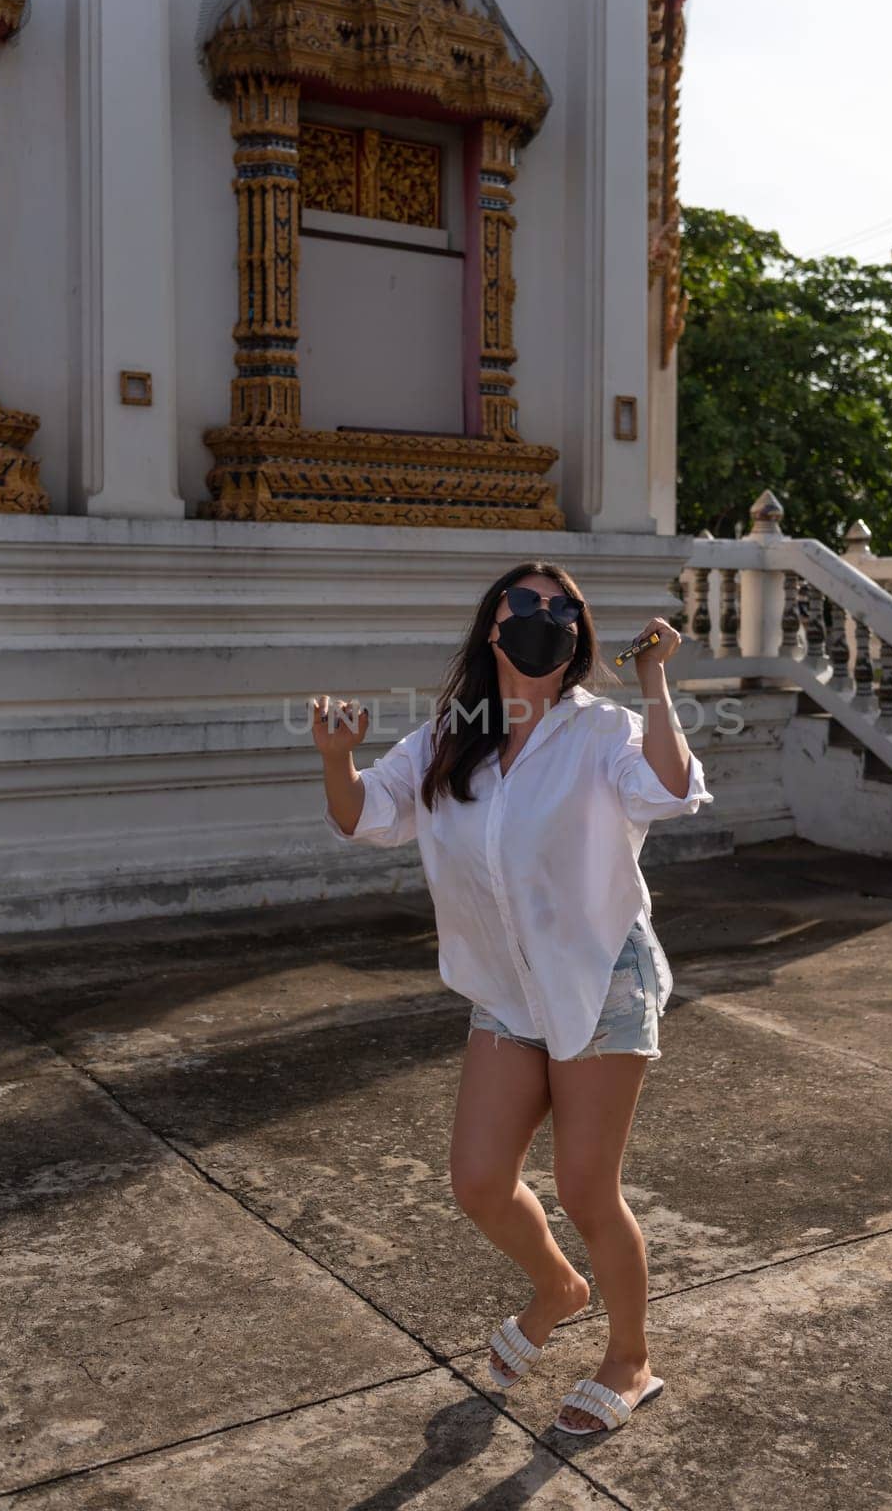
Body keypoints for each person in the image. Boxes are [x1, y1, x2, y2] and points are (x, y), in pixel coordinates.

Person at [313, 561, 714, 1435]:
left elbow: (672, 790)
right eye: (525, 604)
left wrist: (652, 682)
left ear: (580, 634)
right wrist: (337, 759)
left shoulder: (605, 729)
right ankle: (557, 1288)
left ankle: (631, 1358)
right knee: (480, 1181)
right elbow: (366, 816)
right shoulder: (450, 735)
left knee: (584, 1188)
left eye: (563, 609)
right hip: (506, 990)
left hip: (600, 976)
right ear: (492, 626)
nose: (544, 617)